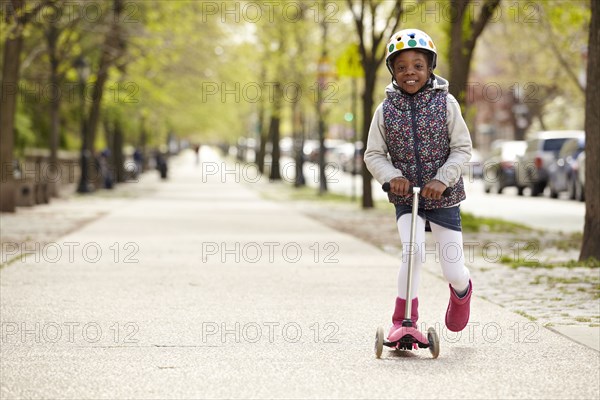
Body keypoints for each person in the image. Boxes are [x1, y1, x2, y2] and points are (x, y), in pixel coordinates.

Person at [364, 29, 473, 338]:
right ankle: (403, 321)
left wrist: (443, 179)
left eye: (417, 65)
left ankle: (463, 290)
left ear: (429, 69)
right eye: (401, 67)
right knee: (413, 252)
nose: (409, 72)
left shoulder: (446, 103)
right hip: (406, 197)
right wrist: (391, 177)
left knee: (452, 269)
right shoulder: (385, 110)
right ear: (393, 72)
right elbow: (373, 154)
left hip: (444, 198)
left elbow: (462, 148)